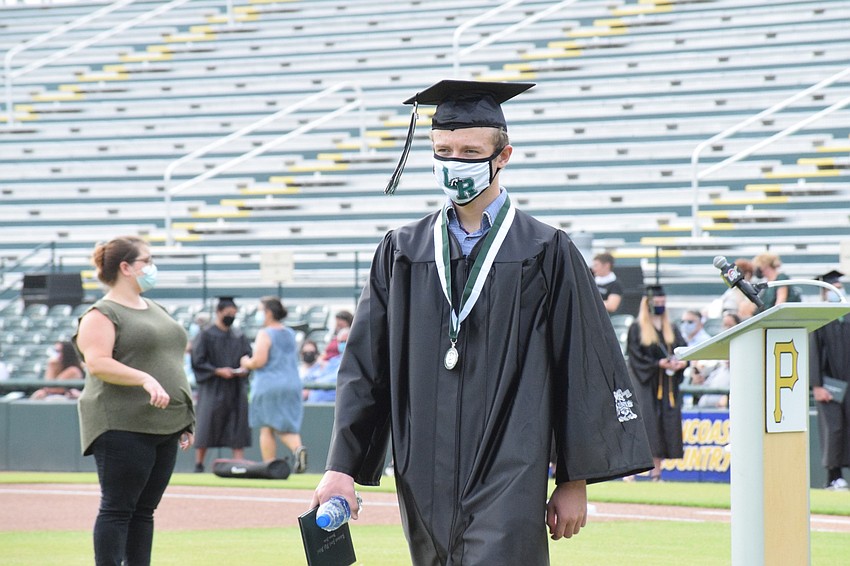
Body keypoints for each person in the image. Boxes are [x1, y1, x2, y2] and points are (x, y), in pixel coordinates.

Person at [311, 79, 653, 565]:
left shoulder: (545, 251)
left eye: (470, 151)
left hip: (511, 461)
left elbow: (581, 364)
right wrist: (340, 467)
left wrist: (573, 480)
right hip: (423, 467)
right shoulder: (402, 251)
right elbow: (367, 368)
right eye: (443, 149)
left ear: (503, 156)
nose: (455, 162)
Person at [73, 235, 194, 566]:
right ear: (125, 267)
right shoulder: (102, 312)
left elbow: (169, 362)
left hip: (164, 422)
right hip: (121, 423)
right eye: (147, 261)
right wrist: (144, 378)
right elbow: (97, 362)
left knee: (144, 511)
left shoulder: (156, 308)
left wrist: (184, 418)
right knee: (118, 508)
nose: (152, 268)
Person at [627, 285, 688, 481]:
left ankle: (657, 472)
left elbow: (683, 350)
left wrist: (681, 363)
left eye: (663, 303)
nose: (660, 306)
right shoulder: (637, 328)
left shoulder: (672, 328)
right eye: (657, 303)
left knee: (665, 425)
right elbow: (635, 358)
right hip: (646, 384)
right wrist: (656, 364)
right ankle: (633, 471)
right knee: (647, 425)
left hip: (667, 384)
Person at [240, 296, 308, 472]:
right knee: (284, 424)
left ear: (268, 312)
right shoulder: (290, 333)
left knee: (267, 427)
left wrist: (246, 362)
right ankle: (297, 449)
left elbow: (259, 361)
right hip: (292, 383)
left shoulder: (266, 333)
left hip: (269, 384)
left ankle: (269, 465)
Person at [191, 297, 252, 472]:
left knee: (237, 423)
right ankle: (199, 465)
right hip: (213, 386)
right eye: (228, 313)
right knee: (207, 423)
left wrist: (243, 369)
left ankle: (239, 464)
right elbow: (198, 360)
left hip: (235, 387)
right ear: (218, 312)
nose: (231, 317)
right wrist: (217, 370)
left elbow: (248, 357)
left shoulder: (239, 336)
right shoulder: (206, 335)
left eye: (234, 314)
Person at [809, 269, 850, 491]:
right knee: (833, 429)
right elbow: (813, 353)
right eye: (833, 287)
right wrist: (816, 385)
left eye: (840, 287)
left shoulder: (848, 313)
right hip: (829, 384)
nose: (838, 291)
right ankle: (833, 476)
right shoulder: (819, 318)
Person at [689, 313, 740, 408]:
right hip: (704, 408)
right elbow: (701, 381)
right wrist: (697, 378)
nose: (727, 329)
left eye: (730, 325)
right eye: (725, 325)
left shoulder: (742, 354)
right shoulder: (716, 357)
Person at [302, 327, 349, 403]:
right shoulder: (334, 361)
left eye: (345, 341)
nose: (343, 344)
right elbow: (319, 373)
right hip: (312, 403)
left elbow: (337, 378)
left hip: (329, 405)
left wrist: (314, 385)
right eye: (341, 342)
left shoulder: (351, 362)